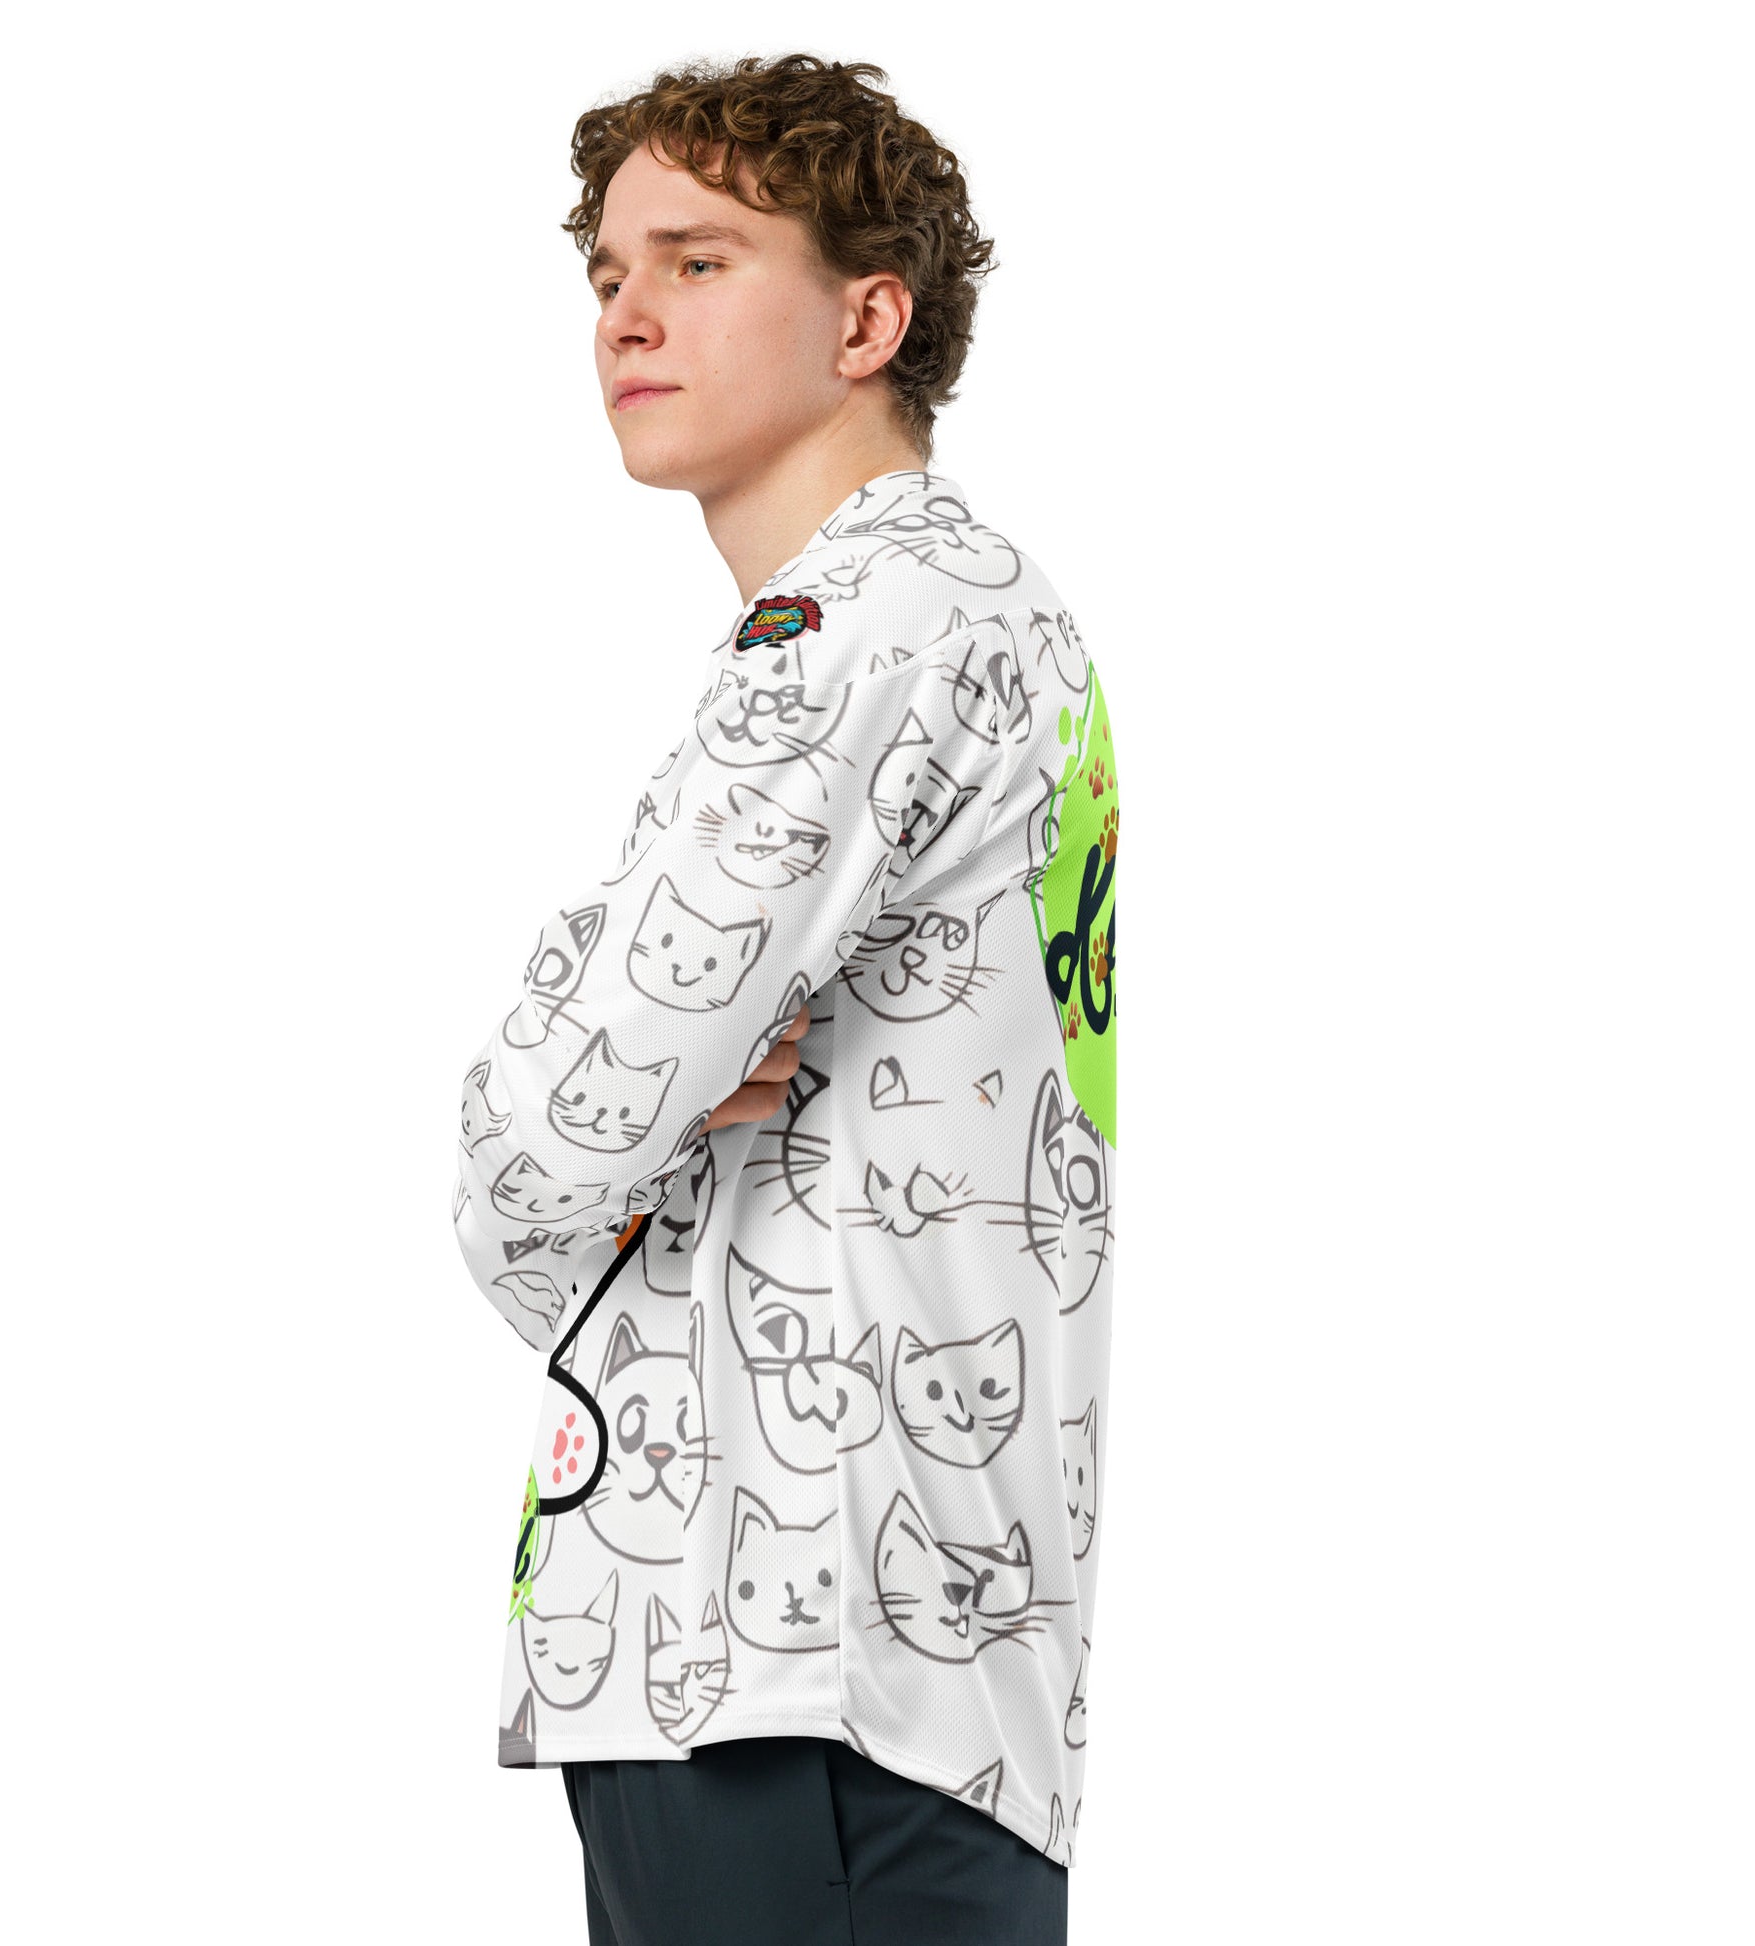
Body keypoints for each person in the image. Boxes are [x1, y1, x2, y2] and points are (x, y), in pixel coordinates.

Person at [451, 51, 1119, 1946]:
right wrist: (635, 1083)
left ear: (866, 321)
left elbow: (539, 1145)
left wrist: (563, 1088)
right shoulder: (954, 616)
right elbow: (620, 1097)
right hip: (864, 1656)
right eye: (606, 272)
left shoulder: (865, 623)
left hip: (790, 1666)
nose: (625, 312)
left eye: (698, 259)